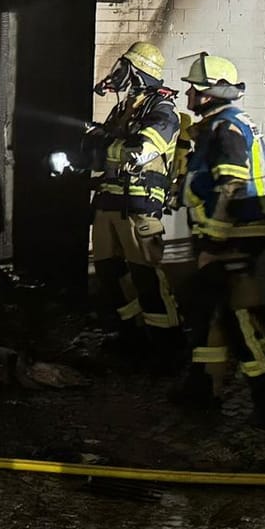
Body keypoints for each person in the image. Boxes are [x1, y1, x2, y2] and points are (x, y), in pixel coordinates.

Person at [171, 53, 265, 430]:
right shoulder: (223, 123)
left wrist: (215, 239)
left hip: (234, 238)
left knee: (239, 319)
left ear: (207, 94)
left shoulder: (226, 128)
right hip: (226, 236)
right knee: (207, 313)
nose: (188, 92)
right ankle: (201, 385)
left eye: (193, 87)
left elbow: (232, 181)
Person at [85, 41, 184, 361]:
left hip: (140, 209)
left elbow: (140, 151)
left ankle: (167, 347)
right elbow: (99, 155)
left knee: (147, 280)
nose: (118, 73)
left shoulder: (162, 109)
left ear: (138, 72)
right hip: (107, 207)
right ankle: (131, 338)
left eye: (125, 67)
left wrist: (104, 142)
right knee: (109, 277)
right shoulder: (124, 107)